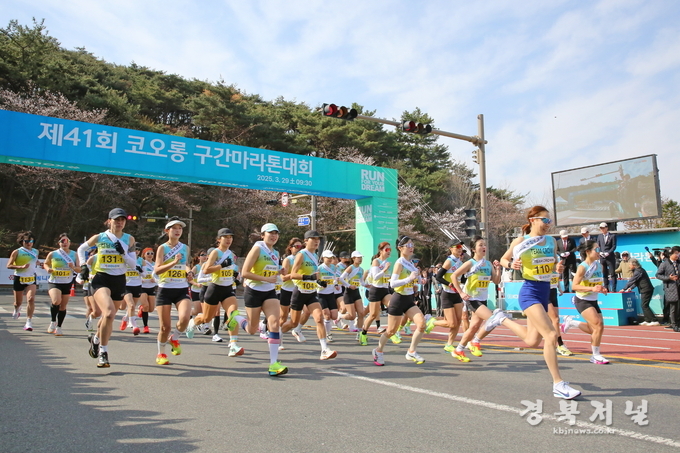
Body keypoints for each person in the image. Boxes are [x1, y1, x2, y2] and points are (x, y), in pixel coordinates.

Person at [494, 205, 581, 399]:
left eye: (550, 221)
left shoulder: (551, 241)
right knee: (551, 335)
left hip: (545, 291)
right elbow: (503, 259)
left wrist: (558, 268)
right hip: (530, 293)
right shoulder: (521, 241)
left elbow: (554, 262)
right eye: (545, 220)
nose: (548, 224)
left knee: (532, 341)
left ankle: (502, 319)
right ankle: (558, 384)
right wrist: (512, 264)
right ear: (533, 220)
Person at [77, 208, 137, 367]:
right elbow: (81, 249)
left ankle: (96, 340)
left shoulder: (129, 239)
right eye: (116, 220)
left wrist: (123, 254)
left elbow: (133, 264)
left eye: (122, 220)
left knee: (108, 318)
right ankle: (103, 353)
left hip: (119, 280)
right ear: (109, 221)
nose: (119, 223)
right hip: (101, 278)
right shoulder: (100, 237)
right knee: (109, 313)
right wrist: (83, 265)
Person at [230, 223, 287, 376]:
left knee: (274, 323)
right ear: (262, 235)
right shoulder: (257, 248)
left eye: (276, 233)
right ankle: (236, 317)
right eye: (270, 233)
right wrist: (266, 279)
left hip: (269, 292)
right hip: (254, 291)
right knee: (251, 329)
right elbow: (245, 273)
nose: (273, 236)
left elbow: (270, 271)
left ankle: (273, 364)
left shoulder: (275, 252)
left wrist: (280, 271)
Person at [372, 235, 427, 366]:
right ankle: (378, 350)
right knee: (391, 331)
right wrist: (409, 279)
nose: (411, 248)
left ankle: (411, 351)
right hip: (398, 299)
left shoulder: (411, 265)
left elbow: (415, 281)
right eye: (408, 245)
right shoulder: (399, 263)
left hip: (409, 299)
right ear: (400, 248)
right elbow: (393, 284)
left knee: (421, 324)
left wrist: (419, 280)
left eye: (412, 245)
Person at [281, 230, 337, 360]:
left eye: (318, 239)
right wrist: (309, 277)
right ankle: (277, 333)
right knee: (293, 323)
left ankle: (324, 349)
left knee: (319, 319)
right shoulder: (301, 254)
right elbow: (293, 274)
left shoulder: (315, 255)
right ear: (306, 241)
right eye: (313, 239)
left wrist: (319, 281)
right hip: (300, 292)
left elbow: (315, 274)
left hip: (311, 293)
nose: (317, 241)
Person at [188, 228, 243, 357]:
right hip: (215, 288)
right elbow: (206, 270)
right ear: (219, 239)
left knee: (233, 314)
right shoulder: (215, 252)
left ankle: (233, 345)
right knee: (206, 318)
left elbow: (230, 269)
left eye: (230, 237)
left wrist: (234, 275)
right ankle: (193, 322)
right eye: (225, 237)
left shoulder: (231, 254)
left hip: (228, 289)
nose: (229, 240)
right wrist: (221, 265)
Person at [450, 236, 501, 362]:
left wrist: (498, 269)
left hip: (482, 298)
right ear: (473, 249)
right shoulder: (470, 263)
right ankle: (476, 341)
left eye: (484, 245)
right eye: (480, 245)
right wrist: (461, 292)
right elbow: (453, 276)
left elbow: (496, 281)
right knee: (493, 319)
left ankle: (458, 350)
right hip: (472, 298)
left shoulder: (488, 264)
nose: (484, 247)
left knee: (473, 327)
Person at [561, 240, 610, 364]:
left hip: (593, 300)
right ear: (588, 252)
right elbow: (575, 286)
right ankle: (595, 355)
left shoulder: (599, 265)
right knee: (598, 325)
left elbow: (596, 282)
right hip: (582, 300)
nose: (599, 252)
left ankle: (571, 322)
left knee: (596, 329)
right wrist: (592, 289)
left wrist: (602, 288)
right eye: (596, 250)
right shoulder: (582, 267)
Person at [153, 217, 192, 365]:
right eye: (174, 228)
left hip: (181, 288)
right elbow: (157, 269)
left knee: (185, 318)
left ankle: (174, 338)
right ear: (167, 231)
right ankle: (161, 353)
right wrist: (173, 262)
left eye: (180, 228)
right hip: (165, 289)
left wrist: (189, 272)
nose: (177, 231)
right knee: (165, 327)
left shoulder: (185, 247)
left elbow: (186, 264)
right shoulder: (162, 248)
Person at [44, 233, 80, 335]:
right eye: (62, 241)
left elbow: (79, 269)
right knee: (56, 301)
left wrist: (73, 267)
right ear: (59, 243)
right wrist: (48, 269)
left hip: (67, 282)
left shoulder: (74, 254)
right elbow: (46, 263)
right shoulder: (53, 254)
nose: (65, 243)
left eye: (67, 241)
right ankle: (53, 321)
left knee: (63, 306)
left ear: (70, 243)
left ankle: (59, 327)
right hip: (55, 281)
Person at [433, 239, 466, 352]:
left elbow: (462, 279)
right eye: (457, 247)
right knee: (451, 323)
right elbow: (438, 277)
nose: (460, 249)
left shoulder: (461, 263)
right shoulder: (449, 261)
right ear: (450, 248)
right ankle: (432, 322)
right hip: (447, 294)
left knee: (458, 321)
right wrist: (449, 284)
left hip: (456, 294)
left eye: (461, 247)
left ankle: (449, 344)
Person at [360, 242, 392, 346]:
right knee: (373, 315)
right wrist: (385, 269)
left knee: (394, 306)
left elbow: (387, 277)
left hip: (385, 290)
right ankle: (363, 333)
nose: (389, 251)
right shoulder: (376, 261)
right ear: (381, 251)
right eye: (387, 249)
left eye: (390, 249)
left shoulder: (387, 262)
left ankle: (392, 331)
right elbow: (375, 277)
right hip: (375, 290)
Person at [7, 231, 39, 331]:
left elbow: (34, 261)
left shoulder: (35, 251)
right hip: (19, 277)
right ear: (22, 242)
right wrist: (21, 267)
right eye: (26, 241)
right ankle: (17, 308)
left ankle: (29, 322)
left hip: (31, 278)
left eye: (31, 241)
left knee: (31, 299)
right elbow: (9, 265)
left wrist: (40, 264)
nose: (29, 243)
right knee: (18, 302)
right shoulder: (17, 252)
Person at [280, 237, 303, 347]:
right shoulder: (288, 260)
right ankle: (278, 338)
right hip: (287, 290)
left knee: (304, 312)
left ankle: (297, 330)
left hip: (298, 290)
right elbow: (283, 278)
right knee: (283, 317)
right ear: (290, 248)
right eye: (297, 246)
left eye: (301, 247)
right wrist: (296, 275)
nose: (299, 248)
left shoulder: (304, 258)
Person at [622, 259, 657, 326]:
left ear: (633, 265)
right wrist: (630, 288)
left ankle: (654, 320)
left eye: (629, 264)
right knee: (644, 305)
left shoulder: (638, 271)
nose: (629, 266)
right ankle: (647, 320)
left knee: (644, 305)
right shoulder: (638, 270)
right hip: (644, 289)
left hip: (646, 289)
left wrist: (624, 288)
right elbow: (636, 281)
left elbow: (632, 280)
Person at [339, 251, 366, 334]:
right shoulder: (350, 268)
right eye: (358, 257)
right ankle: (339, 316)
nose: (360, 259)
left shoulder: (361, 270)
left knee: (361, 313)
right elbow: (341, 278)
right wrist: (349, 285)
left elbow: (362, 282)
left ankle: (360, 333)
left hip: (356, 292)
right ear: (353, 258)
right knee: (352, 316)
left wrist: (368, 285)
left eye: (361, 257)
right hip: (349, 293)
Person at [655, 246, 680, 332]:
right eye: (676, 254)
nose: (678, 255)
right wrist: (669, 278)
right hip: (671, 288)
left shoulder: (678, 263)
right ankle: (674, 325)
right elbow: (658, 275)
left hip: (679, 287)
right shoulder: (664, 264)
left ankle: (678, 323)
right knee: (673, 308)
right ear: (671, 254)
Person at [317, 249, 339, 343]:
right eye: (328, 257)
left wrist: (336, 284)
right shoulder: (319, 268)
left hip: (330, 293)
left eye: (331, 257)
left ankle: (327, 328)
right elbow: (316, 281)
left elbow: (334, 278)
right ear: (323, 258)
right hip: (321, 294)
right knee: (326, 315)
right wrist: (320, 285)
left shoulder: (334, 267)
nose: (330, 259)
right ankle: (328, 334)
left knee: (334, 316)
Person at [121, 245, 143, 336]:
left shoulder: (141, 261)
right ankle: (134, 326)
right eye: (135, 249)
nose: (136, 251)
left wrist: (140, 271)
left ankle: (126, 318)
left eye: (138, 250)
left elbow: (145, 274)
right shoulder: (125, 258)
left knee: (132, 307)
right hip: (126, 285)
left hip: (137, 285)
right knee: (130, 305)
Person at [138, 247, 157, 334]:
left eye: (151, 253)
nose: (150, 255)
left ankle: (141, 308)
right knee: (146, 306)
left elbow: (159, 275)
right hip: (142, 287)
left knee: (151, 309)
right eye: (148, 253)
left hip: (151, 287)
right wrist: (140, 279)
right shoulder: (142, 263)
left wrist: (155, 280)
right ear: (144, 255)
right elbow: (136, 272)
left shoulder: (155, 264)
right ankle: (145, 326)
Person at [596, 222, 617, 292]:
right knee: (604, 273)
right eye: (601, 228)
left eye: (603, 228)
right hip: (602, 257)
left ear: (607, 228)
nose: (602, 229)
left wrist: (608, 252)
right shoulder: (599, 236)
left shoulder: (612, 236)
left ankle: (614, 289)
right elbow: (598, 246)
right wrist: (600, 252)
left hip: (610, 257)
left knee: (612, 273)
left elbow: (614, 246)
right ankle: (606, 288)